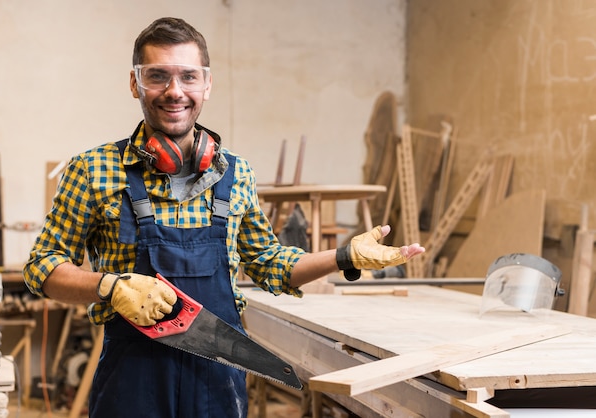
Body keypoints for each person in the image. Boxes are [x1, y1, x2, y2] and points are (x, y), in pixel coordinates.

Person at [23, 17, 425, 418]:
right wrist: (110, 286)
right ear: (135, 84)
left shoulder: (237, 175)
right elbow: (41, 267)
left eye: (188, 77)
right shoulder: (93, 170)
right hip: (133, 383)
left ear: (207, 85)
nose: (174, 91)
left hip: (216, 384)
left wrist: (344, 258)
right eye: (158, 76)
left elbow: (271, 264)